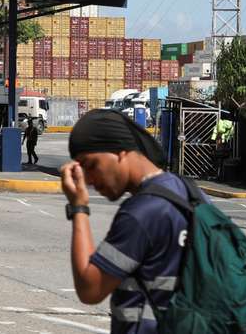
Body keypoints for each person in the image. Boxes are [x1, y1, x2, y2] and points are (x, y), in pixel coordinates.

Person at [59, 109, 207, 334]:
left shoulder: (142, 212)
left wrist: (79, 207)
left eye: (90, 165)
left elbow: (90, 289)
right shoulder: (190, 193)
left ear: (120, 152)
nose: (88, 180)